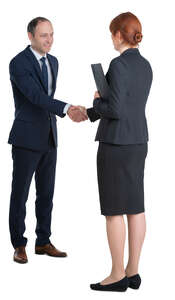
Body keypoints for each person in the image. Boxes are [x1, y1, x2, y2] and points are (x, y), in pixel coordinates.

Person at [8, 17, 87, 264]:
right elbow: (35, 96)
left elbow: (46, 98)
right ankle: (19, 245)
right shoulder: (18, 63)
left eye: (51, 34)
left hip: (49, 136)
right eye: (43, 35)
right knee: (20, 194)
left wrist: (63, 111)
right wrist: (67, 108)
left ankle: (43, 241)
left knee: (46, 194)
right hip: (26, 137)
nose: (49, 40)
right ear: (30, 36)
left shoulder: (53, 61)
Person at [85, 12, 153, 292]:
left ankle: (117, 275)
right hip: (138, 142)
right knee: (136, 207)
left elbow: (114, 109)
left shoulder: (118, 64)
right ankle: (133, 271)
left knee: (114, 211)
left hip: (116, 145)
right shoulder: (146, 65)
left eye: (111, 34)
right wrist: (92, 111)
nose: (110, 39)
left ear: (117, 35)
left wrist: (96, 103)